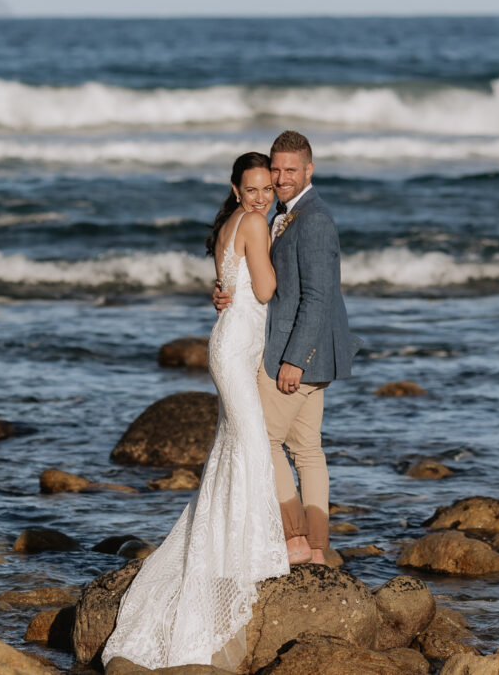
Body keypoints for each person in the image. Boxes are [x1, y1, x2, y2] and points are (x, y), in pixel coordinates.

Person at [102, 152, 289, 671]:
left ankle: (233, 540)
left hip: (231, 343)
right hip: (234, 347)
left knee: (235, 444)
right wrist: (277, 244)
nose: (260, 197)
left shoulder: (231, 225)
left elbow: (234, 288)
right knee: (248, 443)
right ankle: (247, 549)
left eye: (266, 189)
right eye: (251, 189)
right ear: (236, 190)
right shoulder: (254, 222)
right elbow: (268, 288)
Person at [214, 130, 359, 566]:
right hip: (306, 351)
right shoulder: (283, 214)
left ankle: (295, 537)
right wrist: (226, 291)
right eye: (275, 170)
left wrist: (293, 360)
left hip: (296, 354)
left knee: (267, 441)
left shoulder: (312, 219)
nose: (280, 178)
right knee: (308, 449)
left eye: (290, 170)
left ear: (309, 170)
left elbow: (317, 296)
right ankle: (317, 548)